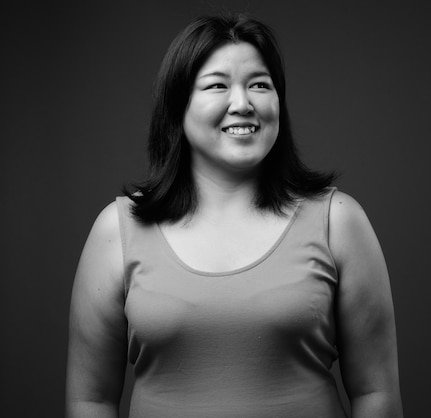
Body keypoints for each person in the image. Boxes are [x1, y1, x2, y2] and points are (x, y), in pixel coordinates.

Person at [66, 13, 402, 418]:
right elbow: (91, 400)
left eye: (260, 84)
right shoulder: (117, 230)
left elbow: (375, 393)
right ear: (178, 106)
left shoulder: (339, 221)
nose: (243, 104)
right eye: (217, 86)